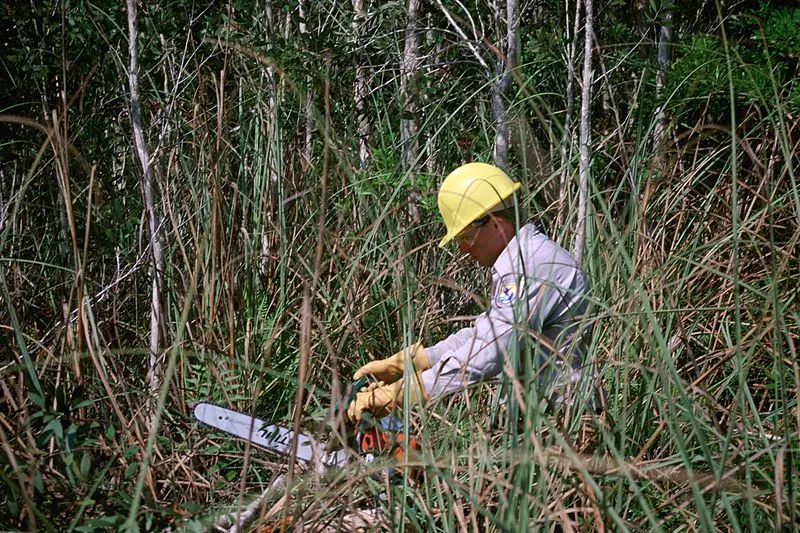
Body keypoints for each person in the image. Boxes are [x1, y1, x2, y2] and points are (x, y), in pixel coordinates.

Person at [346, 162, 593, 423]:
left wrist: (398, 394)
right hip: (544, 416)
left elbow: (486, 355)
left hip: (564, 422)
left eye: (465, 236)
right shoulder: (524, 260)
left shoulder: (530, 266)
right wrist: (412, 361)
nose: (463, 250)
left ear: (497, 224)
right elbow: (482, 336)